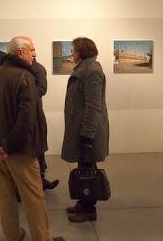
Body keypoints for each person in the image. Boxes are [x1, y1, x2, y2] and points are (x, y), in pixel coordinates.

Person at [0, 36, 64, 241]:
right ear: (20, 53)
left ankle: (13, 236)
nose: (34, 54)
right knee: (34, 198)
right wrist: (8, 146)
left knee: (6, 198)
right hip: (20, 151)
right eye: (31, 50)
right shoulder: (26, 78)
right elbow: (27, 119)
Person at [61, 37, 109, 223]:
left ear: (81, 51)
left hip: (89, 132)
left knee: (88, 170)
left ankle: (89, 209)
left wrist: (87, 136)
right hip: (82, 130)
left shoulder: (92, 71)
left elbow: (93, 106)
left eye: (73, 50)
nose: (71, 53)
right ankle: (83, 202)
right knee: (84, 167)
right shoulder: (85, 69)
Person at [30, 59, 60, 191]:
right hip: (26, 113)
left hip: (33, 113)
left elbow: (42, 89)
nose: (34, 53)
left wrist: (21, 94)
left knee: (38, 147)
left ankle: (40, 179)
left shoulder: (38, 68)